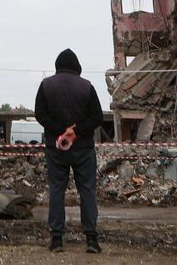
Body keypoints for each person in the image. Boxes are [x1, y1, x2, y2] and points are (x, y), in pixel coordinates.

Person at [34, 48, 105, 254]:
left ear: (57, 66)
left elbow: (40, 114)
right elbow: (97, 117)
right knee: (87, 192)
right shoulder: (87, 87)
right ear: (77, 67)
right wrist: (76, 132)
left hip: (56, 149)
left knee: (56, 190)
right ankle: (91, 240)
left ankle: (56, 240)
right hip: (83, 149)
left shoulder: (46, 85)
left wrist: (60, 132)